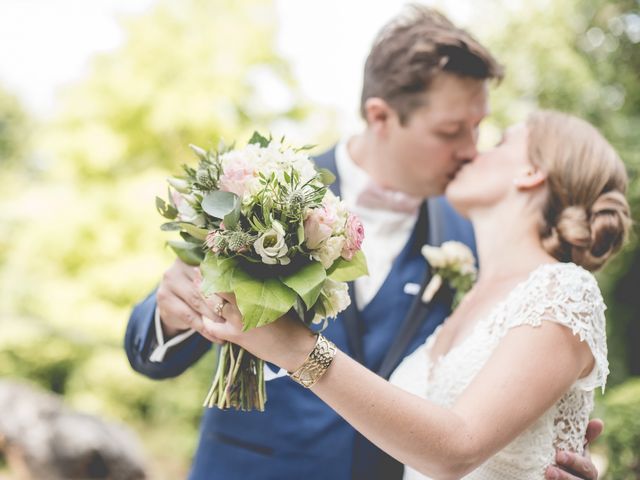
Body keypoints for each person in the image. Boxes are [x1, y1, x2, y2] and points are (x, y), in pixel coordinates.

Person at [125, 6, 602, 479]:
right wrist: (172, 313)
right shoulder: (261, 191)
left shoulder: (476, 239)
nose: (471, 150)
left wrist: (544, 446)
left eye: (478, 128)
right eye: (451, 131)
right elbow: (150, 357)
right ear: (381, 116)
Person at [202, 110, 631, 479]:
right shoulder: (470, 299)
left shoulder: (563, 289)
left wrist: (296, 348)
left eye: (500, 143)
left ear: (531, 172)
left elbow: (459, 446)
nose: (472, 152)